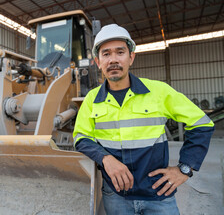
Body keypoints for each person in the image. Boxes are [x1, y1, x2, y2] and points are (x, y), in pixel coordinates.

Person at [73, 24, 214, 214]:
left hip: (158, 196)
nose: (113, 60)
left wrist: (185, 168)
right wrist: (105, 158)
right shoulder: (91, 99)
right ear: (98, 62)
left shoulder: (158, 91)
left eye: (120, 52)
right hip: (116, 196)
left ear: (131, 57)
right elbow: (81, 137)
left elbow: (202, 124)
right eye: (106, 54)